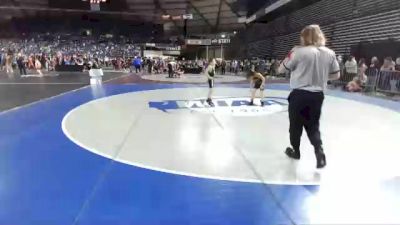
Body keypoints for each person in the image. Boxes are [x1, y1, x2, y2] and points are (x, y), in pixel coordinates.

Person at [278, 24, 340, 169]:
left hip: (299, 94)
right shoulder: (330, 53)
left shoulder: (298, 52)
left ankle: (296, 151)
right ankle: (319, 152)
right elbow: (336, 75)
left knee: (295, 125)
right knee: (313, 126)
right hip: (317, 95)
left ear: (304, 37)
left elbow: (282, 68)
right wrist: (322, 76)